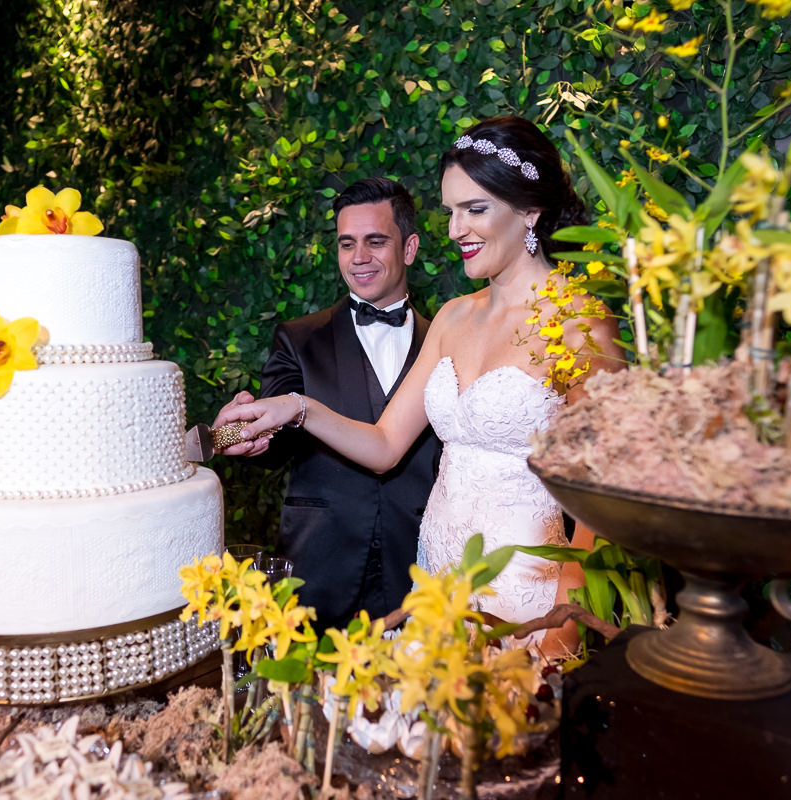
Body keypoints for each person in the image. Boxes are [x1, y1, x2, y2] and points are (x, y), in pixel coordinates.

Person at [217, 117, 623, 654]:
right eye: (451, 211)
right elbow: (384, 446)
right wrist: (295, 407)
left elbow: (612, 484)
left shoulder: (580, 323)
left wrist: (570, 605)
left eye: (474, 209)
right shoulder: (454, 318)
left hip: (529, 586)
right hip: (437, 580)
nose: (455, 230)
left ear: (529, 210)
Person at [220, 178, 441, 630]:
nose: (359, 257)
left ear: (409, 248)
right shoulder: (300, 338)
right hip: (321, 570)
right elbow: (270, 438)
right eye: (347, 244)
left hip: (420, 565)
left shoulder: (447, 340)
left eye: (375, 242)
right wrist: (234, 432)